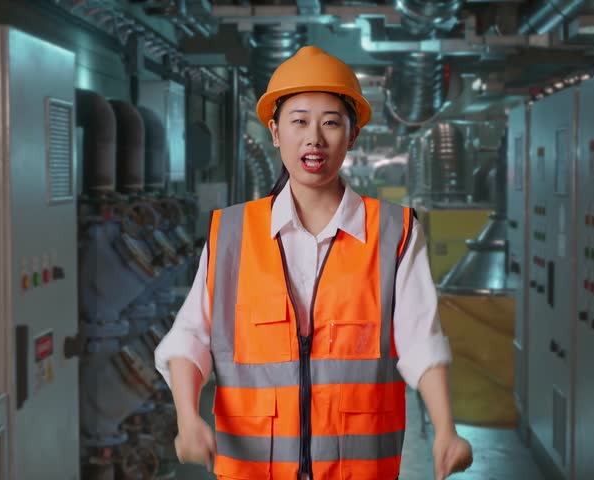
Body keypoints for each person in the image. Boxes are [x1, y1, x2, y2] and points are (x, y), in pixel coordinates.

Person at [154, 45, 473, 480]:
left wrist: (445, 430)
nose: (314, 138)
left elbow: (422, 339)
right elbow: (189, 339)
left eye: (331, 123)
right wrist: (187, 419)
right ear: (274, 131)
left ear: (353, 135)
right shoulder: (231, 234)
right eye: (299, 121)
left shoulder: (393, 233)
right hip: (254, 468)